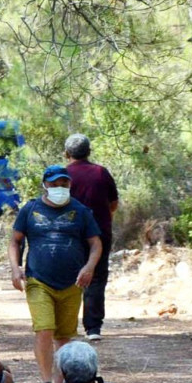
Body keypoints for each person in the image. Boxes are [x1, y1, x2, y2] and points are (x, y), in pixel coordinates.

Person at [9, 165, 102, 383]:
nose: (59, 188)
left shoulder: (81, 212)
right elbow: (15, 241)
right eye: (54, 184)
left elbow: (95, 244)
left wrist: (89, 267)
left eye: (64, 184)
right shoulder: (30, 210)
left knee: (64, 337)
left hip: (72, 283)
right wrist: (15, 267)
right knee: (44, 330)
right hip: (39, 280)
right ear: (45, 185)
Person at [64, 134, 119, 341]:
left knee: (69, 277)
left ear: (67, 153)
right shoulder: (101, 173)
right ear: (89, 151)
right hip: (100, 232)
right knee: (96, 278)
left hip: (70, 234)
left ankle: (66, 325)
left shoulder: (63, 175)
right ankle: (93, 328)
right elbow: (113, 203)